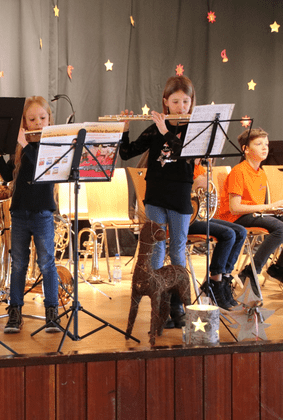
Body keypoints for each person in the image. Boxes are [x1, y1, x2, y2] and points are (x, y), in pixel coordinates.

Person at [119, 75, 196, 328]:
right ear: (165, 102)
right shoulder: (155, 129)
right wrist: (124, 130)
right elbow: (127, 153)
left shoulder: (193, 129)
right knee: (156, 250)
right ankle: (160, 306)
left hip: (179, 196)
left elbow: (184, 154)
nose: (181, 107)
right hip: (156, 195)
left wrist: (165, 131)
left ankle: (177, 307)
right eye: (175, 102)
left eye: (186, 102)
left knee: (177, 252)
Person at [0, 96, 60, 334]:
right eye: (32, 119)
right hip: (20, 212)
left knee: (47, 263)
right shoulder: (22, 147)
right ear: (24, 122)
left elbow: (41, 168)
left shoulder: (52, 145)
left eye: (42, 118)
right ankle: (15, 312)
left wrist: (27, 145)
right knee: (18, 263)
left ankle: (52, 312)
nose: (38, 123)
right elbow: (10, 176)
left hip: (42, 212)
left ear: (49, 119)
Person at [216, 128, 283, 294]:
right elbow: (235, 208)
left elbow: (256, 206)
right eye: (259, 144)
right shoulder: (239, 171)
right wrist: (269, 207)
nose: (265, 147)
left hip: (252, 214)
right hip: (234, 218)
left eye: (266, 144)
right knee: (281, 229)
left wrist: (274, 210)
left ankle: (280, 268)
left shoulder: (261, 173)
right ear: (246, 149)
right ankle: (251, 271)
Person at [190, 161, 247, 309]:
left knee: (241, 231)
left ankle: (225, 279)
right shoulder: (183, 165)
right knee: (228, 234)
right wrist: (194, 185)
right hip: (187, 218)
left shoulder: (200, 168)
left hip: (200, 215)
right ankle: (215, 281)